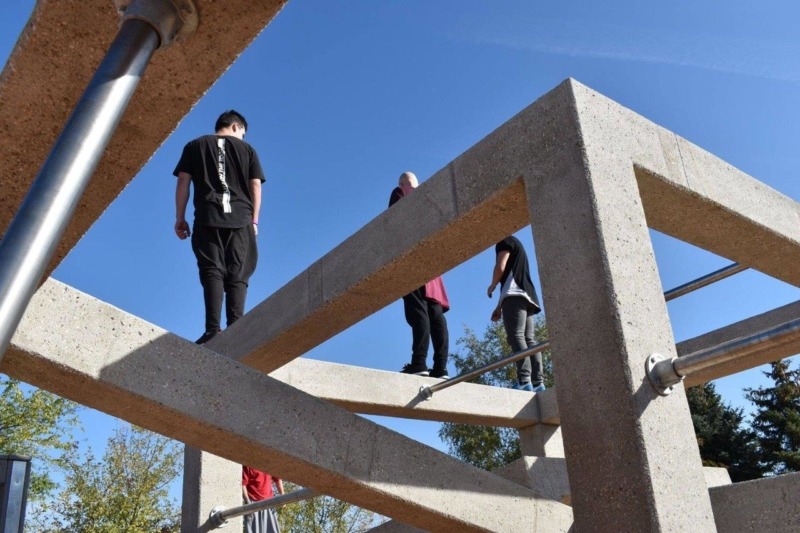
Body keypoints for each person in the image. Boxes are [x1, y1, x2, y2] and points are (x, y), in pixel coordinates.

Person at [173, 110, 265, 344]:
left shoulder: (194, 146)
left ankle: (212, 329)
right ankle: (237, 328)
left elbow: (183, 182)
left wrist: (179, 217)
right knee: (238, 271)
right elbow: (256, 186)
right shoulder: (248, 150)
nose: (242, 136)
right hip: (240, 217)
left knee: (211, 269)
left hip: (207, 215)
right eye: (242, 132)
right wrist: (254, 221)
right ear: (236, 126)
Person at [389, 172, 450, 378]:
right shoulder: (428, 199)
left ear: (403, 184)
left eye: (401, 183)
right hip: (431, 265)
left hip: (412, 259)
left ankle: (419, 363)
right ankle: (441, 368)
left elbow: (393, 222)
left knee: (418, 312)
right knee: (435, 314)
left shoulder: (400, 193)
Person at [487, 235, 545, 392]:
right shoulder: (517, 243)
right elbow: (511, 278)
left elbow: (501, 266)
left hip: (514, 294)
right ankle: (538, 383)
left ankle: (524, 379)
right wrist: (499, 306)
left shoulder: (504, 240)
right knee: (529, 339)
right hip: (527, 296)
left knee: (516, 336)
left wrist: (492, 285)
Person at [242, 465, 284, 533]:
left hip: (269, 505)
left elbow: (278, 479)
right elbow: (243, 484)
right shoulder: (248, 464)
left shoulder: (267, 463)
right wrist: (248, 503)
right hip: (254, 505)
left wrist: (283, 497)